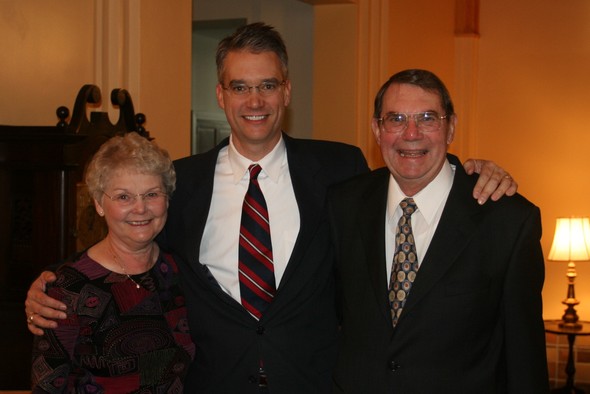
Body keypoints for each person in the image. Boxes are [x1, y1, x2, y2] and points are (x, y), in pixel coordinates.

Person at [25, 24, 518, 393]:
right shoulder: (182, 181)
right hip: (212, 383)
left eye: (267, 84)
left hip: (315, 382)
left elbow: (414, 166)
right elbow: (133, 243)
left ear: (286, 90)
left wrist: (471, 169)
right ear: (222, 95)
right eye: (240, 86)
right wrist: (54, 280)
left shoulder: (339, 167)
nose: (254, 99)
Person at [327, 69, 549, 393]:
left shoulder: (507, 221)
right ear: (377, 129)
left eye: (428, 118)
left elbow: (524, 361)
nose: (411, 133)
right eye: (396, 118)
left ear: (450, 127)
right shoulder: (343, 204)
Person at [30, 132, 195, 392]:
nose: (140, 209)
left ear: (167, 199)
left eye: (152, 194)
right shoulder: (70, 289)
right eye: (123, 197)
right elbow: (47, 386)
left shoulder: (181, 271)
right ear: (99, 204)